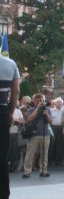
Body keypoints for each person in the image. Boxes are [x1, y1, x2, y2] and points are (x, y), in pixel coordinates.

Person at [0, 53, 20, 199]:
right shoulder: (10, 63)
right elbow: (16, 91)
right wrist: (11, 112)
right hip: (2, 111)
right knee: (2, 156)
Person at [23, 93, 53, 178]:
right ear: (34, 101)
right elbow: (29, 118)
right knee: (30, 153)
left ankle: (44, 170)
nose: (41, 102)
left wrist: (46, 114)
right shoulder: (31, 109)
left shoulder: (47, 109)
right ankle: (27, 171)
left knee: (44, 153)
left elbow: (51, 122)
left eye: (42, 100)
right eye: (39, 100)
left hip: (45, 134)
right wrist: (37, 108)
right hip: (34, 134)